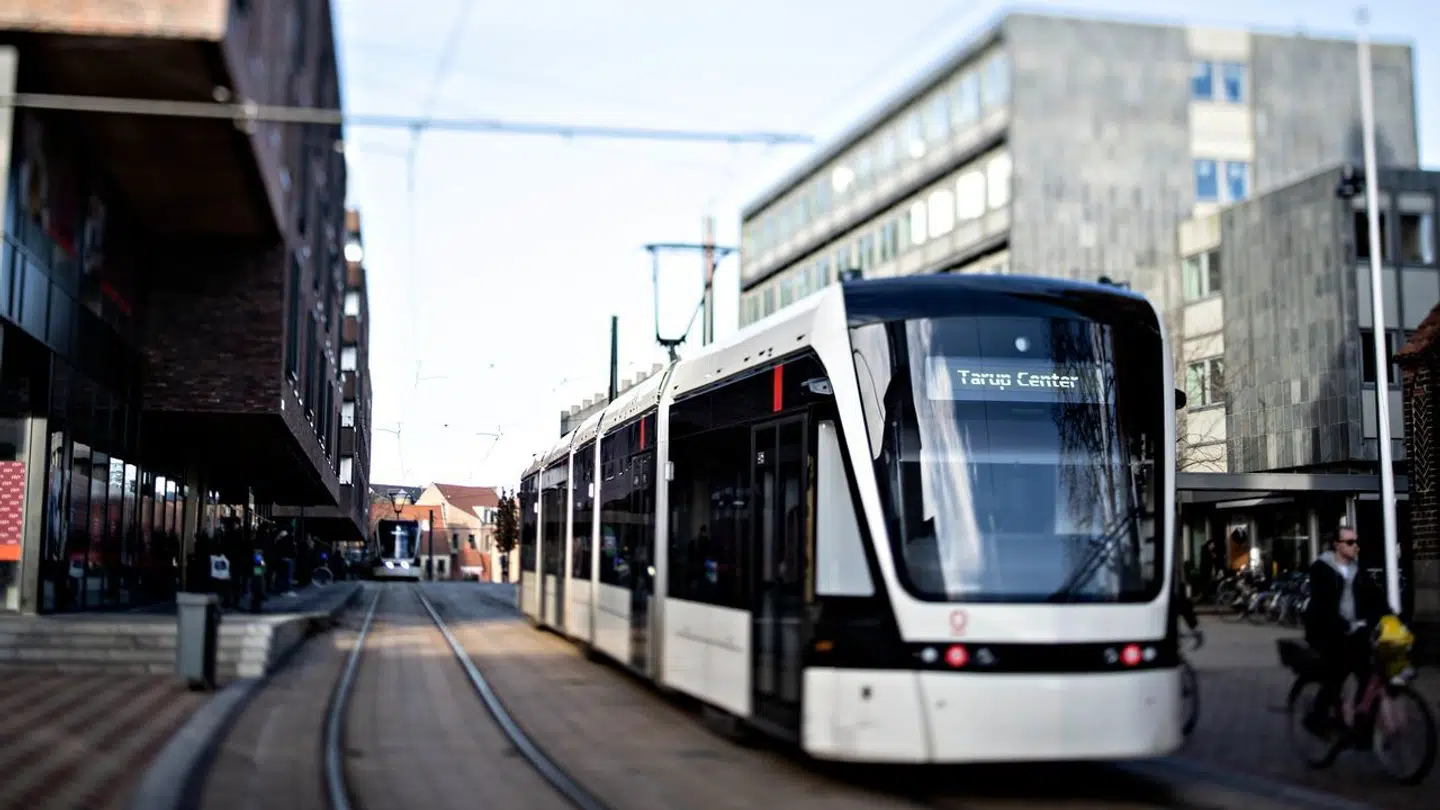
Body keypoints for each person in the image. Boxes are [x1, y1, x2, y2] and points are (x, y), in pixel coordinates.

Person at [1302, 526, 1389, 736]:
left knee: (1368, 675)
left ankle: (1361, 728)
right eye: (1350, 542)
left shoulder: (1357, 571)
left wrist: (1392, 617)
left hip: (1353, 632)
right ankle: (1316, 718)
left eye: (1356, 542)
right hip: (1326, 632)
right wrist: (1343, 625)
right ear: (1337, 545)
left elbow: (1376, 598)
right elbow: (1323, 605)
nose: (1355, 546)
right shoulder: (1321, 569)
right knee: (1336, 674)